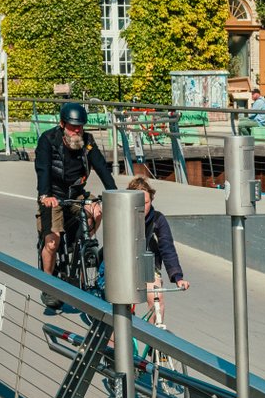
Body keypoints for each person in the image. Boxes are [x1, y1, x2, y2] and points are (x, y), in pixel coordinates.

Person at [33, 102, 116, 297]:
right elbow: (43, 169)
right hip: (53, 196)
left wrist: (114, 193)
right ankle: (48, 285)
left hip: (77, 194)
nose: (77, 130)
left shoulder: (87, 141)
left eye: (80, 126)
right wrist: (45, 195)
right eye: (72, 126)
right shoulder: (48, 140)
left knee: (97, 210)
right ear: (62, 124)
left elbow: (101, 167)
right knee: (52, 243)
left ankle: (82, 244)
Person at [128, 174, 188, 309]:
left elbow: (167, 248)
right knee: (122, 305)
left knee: (157, 300)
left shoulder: (158, 219)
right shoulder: (122, 217)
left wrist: (178, 277)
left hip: (148, 268)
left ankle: (155, 323)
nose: (143, 207)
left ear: (151, 199)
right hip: (125, 266)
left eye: (146, 203)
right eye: (138, 203)